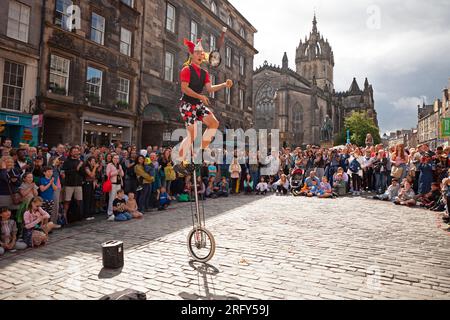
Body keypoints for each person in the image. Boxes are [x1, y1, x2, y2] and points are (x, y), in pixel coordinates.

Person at [174, 38, 233, 174]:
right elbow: (184, 88)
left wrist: (224, 84)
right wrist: (200, 96)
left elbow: (210, 88)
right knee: (193, 135)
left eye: (202, 53)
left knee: (214, 123)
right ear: (192, 55)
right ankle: (179, 161)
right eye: (198, 53)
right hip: (187, 104)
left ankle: (199, 154)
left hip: (198, 105)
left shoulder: (205, 73)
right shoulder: (186, 69)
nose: (201, 55)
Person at [61, 146, 84, 224]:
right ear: (71, 152)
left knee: (79, 201)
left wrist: (80, 168)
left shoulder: (79, 161)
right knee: (67, 201)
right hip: (69, 184)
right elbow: (66, 172)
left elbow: (82, 173)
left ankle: (78, 216)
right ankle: (64, 217)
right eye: (74, 151)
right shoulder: (67, 161)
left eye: (77, 151)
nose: (75, 152)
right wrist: (77, 168)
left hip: (78, 184)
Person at [106, 154, 125, 221]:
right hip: (112, 183)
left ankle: (117, 211)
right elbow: (108, 174)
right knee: (112, 198)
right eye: (115, 158)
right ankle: (110, 212)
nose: (116, 159)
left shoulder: (119, 165)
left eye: (117, 158)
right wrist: (116, 172)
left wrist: (120, 170)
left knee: (117, 198)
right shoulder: (109, 165)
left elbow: (122, 174)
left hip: (119, 183)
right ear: (112, 158)